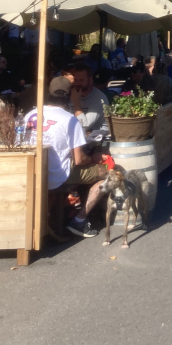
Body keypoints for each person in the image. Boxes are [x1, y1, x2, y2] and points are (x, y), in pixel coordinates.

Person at [24, 76, 107, 238]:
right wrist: (95, 157)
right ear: (70, 96)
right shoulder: (70, 120)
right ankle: (79, 220)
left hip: (33, 173)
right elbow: (79, 160)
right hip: (57, 175)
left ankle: (67, 209)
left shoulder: (30, 115)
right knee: (108, 172)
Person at [66, 63, 107, 140]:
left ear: (90, 79)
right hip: (78, 136)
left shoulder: (99, 98)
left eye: (81, 80)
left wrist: (76, 103)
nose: (77, 83)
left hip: (97, 140)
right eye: (76, 80)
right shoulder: (72, 93)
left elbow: (84, 125)